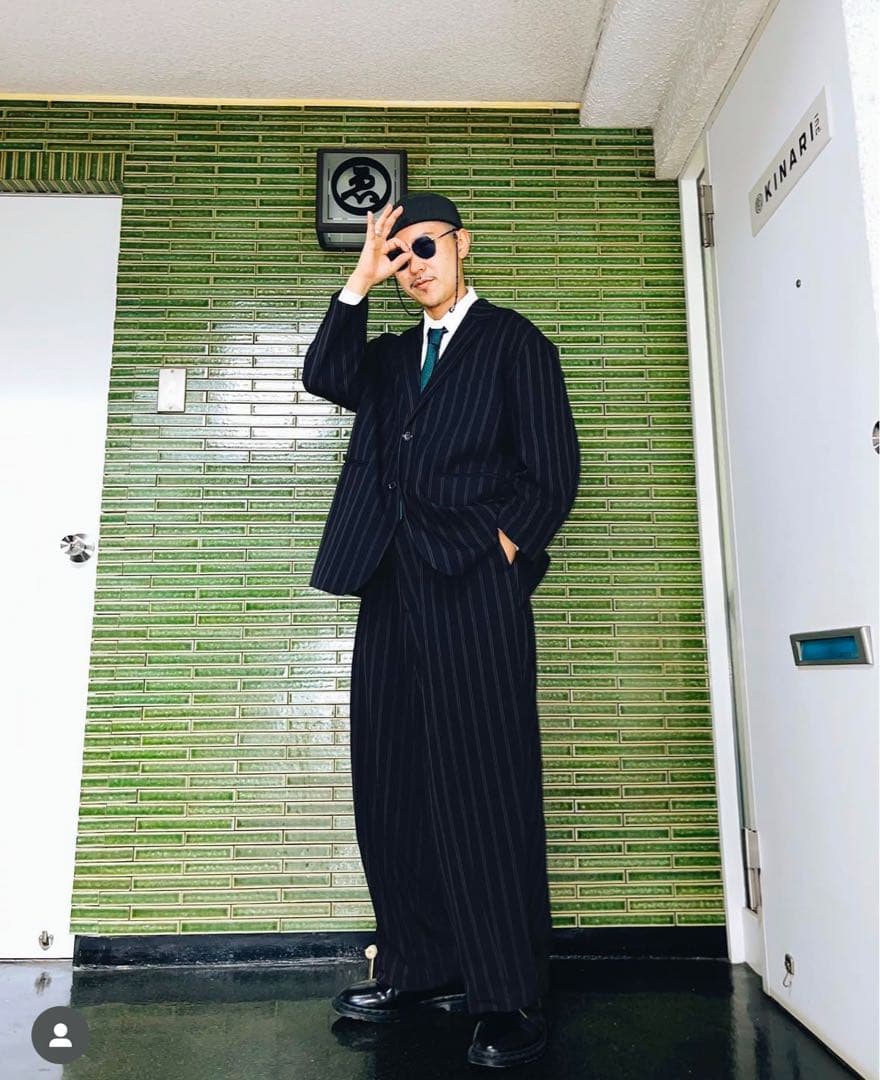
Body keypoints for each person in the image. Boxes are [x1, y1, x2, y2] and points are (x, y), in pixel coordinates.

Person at [302, 191, 580, 1068]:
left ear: (463, 245)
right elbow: (324, 375)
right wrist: (359, 276)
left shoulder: (515, 343)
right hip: (388, 580)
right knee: (390, 784)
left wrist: (499, 549)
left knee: (484, 784)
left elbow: (553, 471)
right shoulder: (388, 357)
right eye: (399, 253)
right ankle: (417, 967)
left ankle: (507, 993)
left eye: (425, 245)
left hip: (471, 588)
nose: (413, 263)